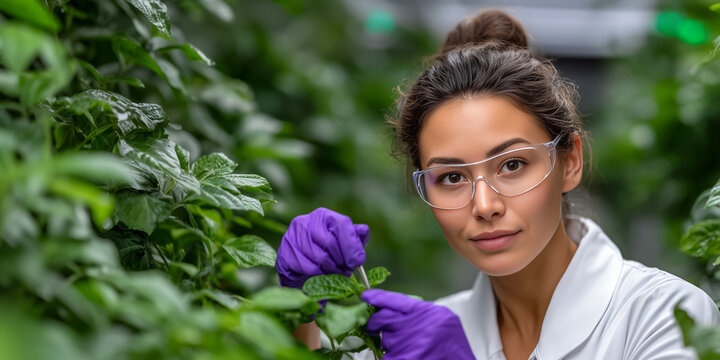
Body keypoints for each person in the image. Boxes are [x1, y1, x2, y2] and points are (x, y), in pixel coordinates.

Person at [275, 9, 720, 360]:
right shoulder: (423, 336)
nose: (485, 205)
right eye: (451, 177)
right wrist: (302, 315)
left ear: (570, 162)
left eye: (511, 165)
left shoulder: (664, 316)